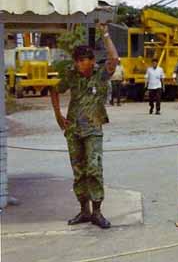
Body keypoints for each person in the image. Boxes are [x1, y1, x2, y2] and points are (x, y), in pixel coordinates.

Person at [50, 23, 118, 229]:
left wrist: (105, 34)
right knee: (78, 172)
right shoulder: (71, 75)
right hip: (73, 130)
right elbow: (54, 90)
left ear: (91, 60)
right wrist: (57, 114)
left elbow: (114, 59)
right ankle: (84, 211)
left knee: (94, 170)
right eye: (78, 61)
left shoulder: (100, 74)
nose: (81, 64)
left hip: (93, 130)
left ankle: (97, 212)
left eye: (84, 60)